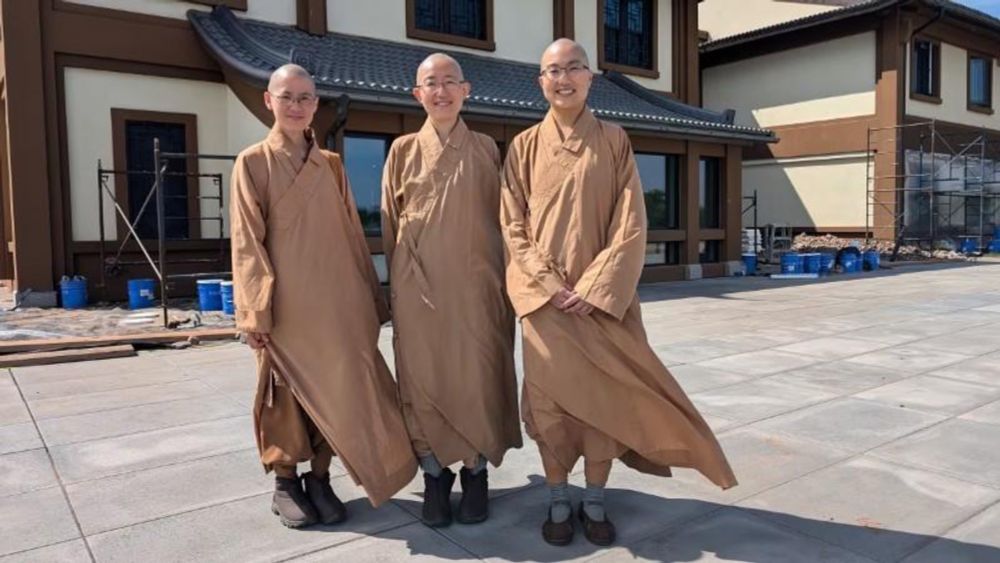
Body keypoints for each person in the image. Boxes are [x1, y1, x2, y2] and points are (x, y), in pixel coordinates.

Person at [500, 40, 737, 546]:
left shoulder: (613, 139)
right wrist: (548, 283)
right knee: (549, 405)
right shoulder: (522, 147)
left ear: (590, 77)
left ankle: (595, 498)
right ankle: (558, 498)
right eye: (552, 70)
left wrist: (592, 287)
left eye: (573, 69)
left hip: (600, 304)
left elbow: (631, 223)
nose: (562, 78)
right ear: (540, 81)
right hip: (545, 306)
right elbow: (512, 225)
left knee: (605, 400)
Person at [231, 63, 416, 529]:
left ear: (316, 105)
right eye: (287, 96)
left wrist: (371, 299)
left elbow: (354, 236)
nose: (296, 106)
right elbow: (246, 242)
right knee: (284, 396)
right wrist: (255, 313)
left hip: (336, 303)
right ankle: (286, 482)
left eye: (306, 98)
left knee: (338, 392)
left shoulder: (331, 165)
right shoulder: (252, 162)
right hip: (286, 307)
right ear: (268, 101)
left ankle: (320, 477)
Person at [381, 53, 521, 527]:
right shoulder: (400, 151)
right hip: (417, 289)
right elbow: (388, 225)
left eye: (449, 83)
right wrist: (396, 287)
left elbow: (505, 223)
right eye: (430, 84)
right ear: (416, 94)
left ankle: (476, 473)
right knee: (423, 381)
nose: (440, 92)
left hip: (478, 290)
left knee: (476, 379)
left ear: (466, 90)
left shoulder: (486, 149)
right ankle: (434, 475)